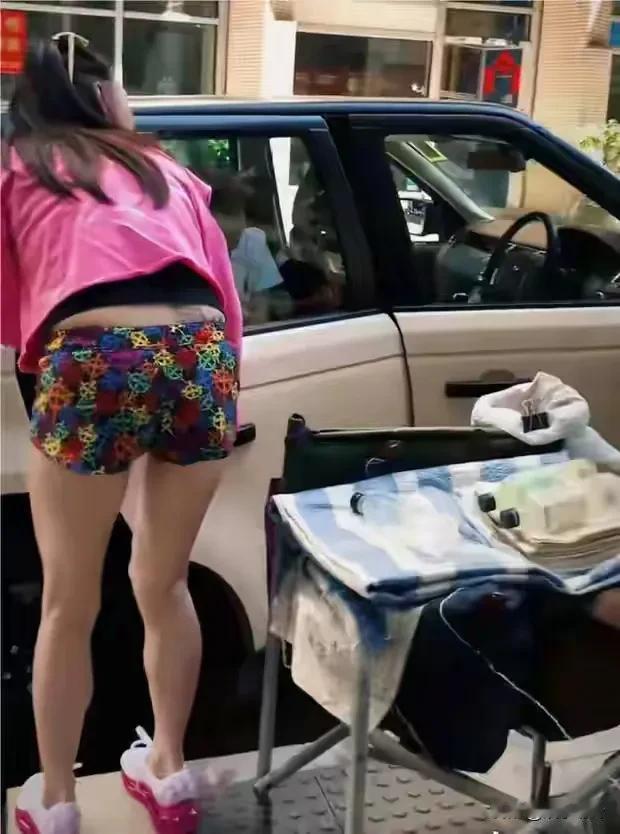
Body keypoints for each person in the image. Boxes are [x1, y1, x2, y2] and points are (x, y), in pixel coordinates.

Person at [1, 34, 242, 834]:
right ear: (108, 100)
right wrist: (216, 393)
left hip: (94, 355)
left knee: (68, 603)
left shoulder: (20, 169)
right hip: (201, 354)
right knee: (164, 584)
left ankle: (56, 801)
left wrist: (53, 376)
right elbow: (225, 302)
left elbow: (11, 307)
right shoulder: (166, 171)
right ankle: (169, 774)